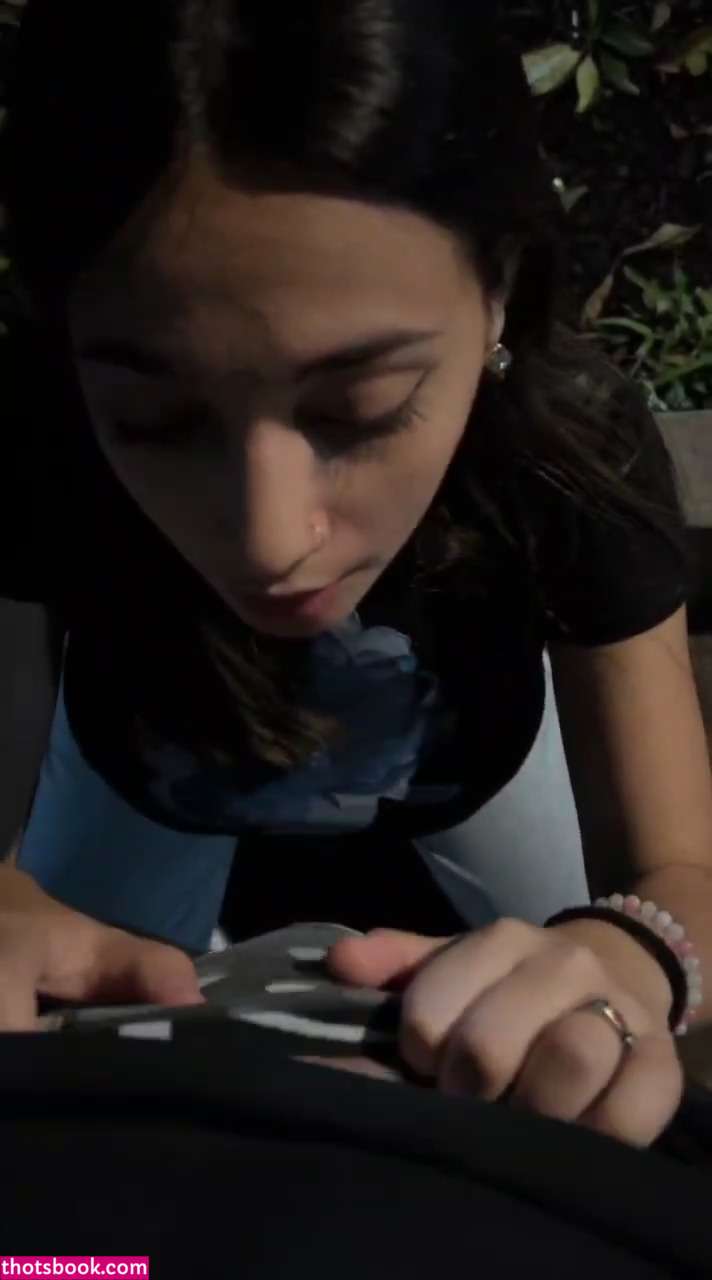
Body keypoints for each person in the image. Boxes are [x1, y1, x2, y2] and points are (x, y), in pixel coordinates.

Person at [0, 0, 711, 1148]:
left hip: (472, 775)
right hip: (143, 777)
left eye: (361, 406)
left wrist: (631, 948)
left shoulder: (561, 448)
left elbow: (679, 867)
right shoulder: (32, 431)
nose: (269, 538)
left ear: (498, 290)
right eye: (154, 417)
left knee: (545, 1027)